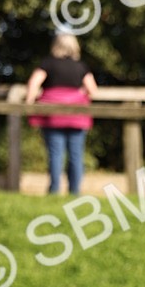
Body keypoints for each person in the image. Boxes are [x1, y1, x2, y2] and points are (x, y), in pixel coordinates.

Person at [25, 32, 97, 194]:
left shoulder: (48, 63)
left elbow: (33, 83)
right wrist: (79, 94)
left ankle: (54, 190)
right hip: (77, 116)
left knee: (56, 154)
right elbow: (92, 89)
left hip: (52, 115)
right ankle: (75, 191)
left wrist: (30, 104)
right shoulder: (80, 66)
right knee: (76, 155)